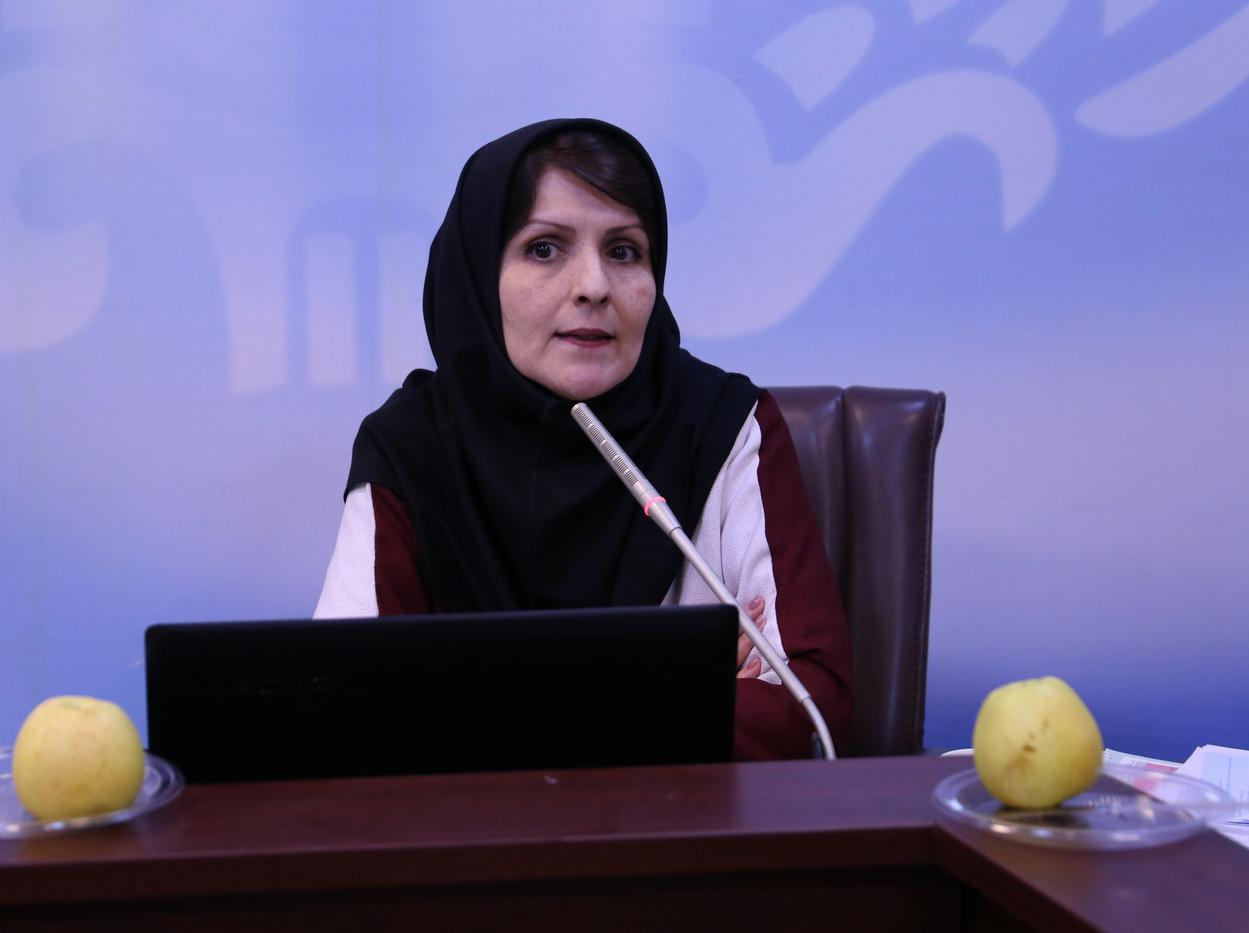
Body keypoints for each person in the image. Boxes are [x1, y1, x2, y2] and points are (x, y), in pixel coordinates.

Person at [316, 118, 850, 759]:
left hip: (683, 822)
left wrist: (484, 716)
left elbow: (812, 702)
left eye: (624, 251)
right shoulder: (411, 447)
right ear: (478, 275)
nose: (594, 286)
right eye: (545, 248)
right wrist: (660, 696)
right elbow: (349, 712)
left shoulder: (725, 424)